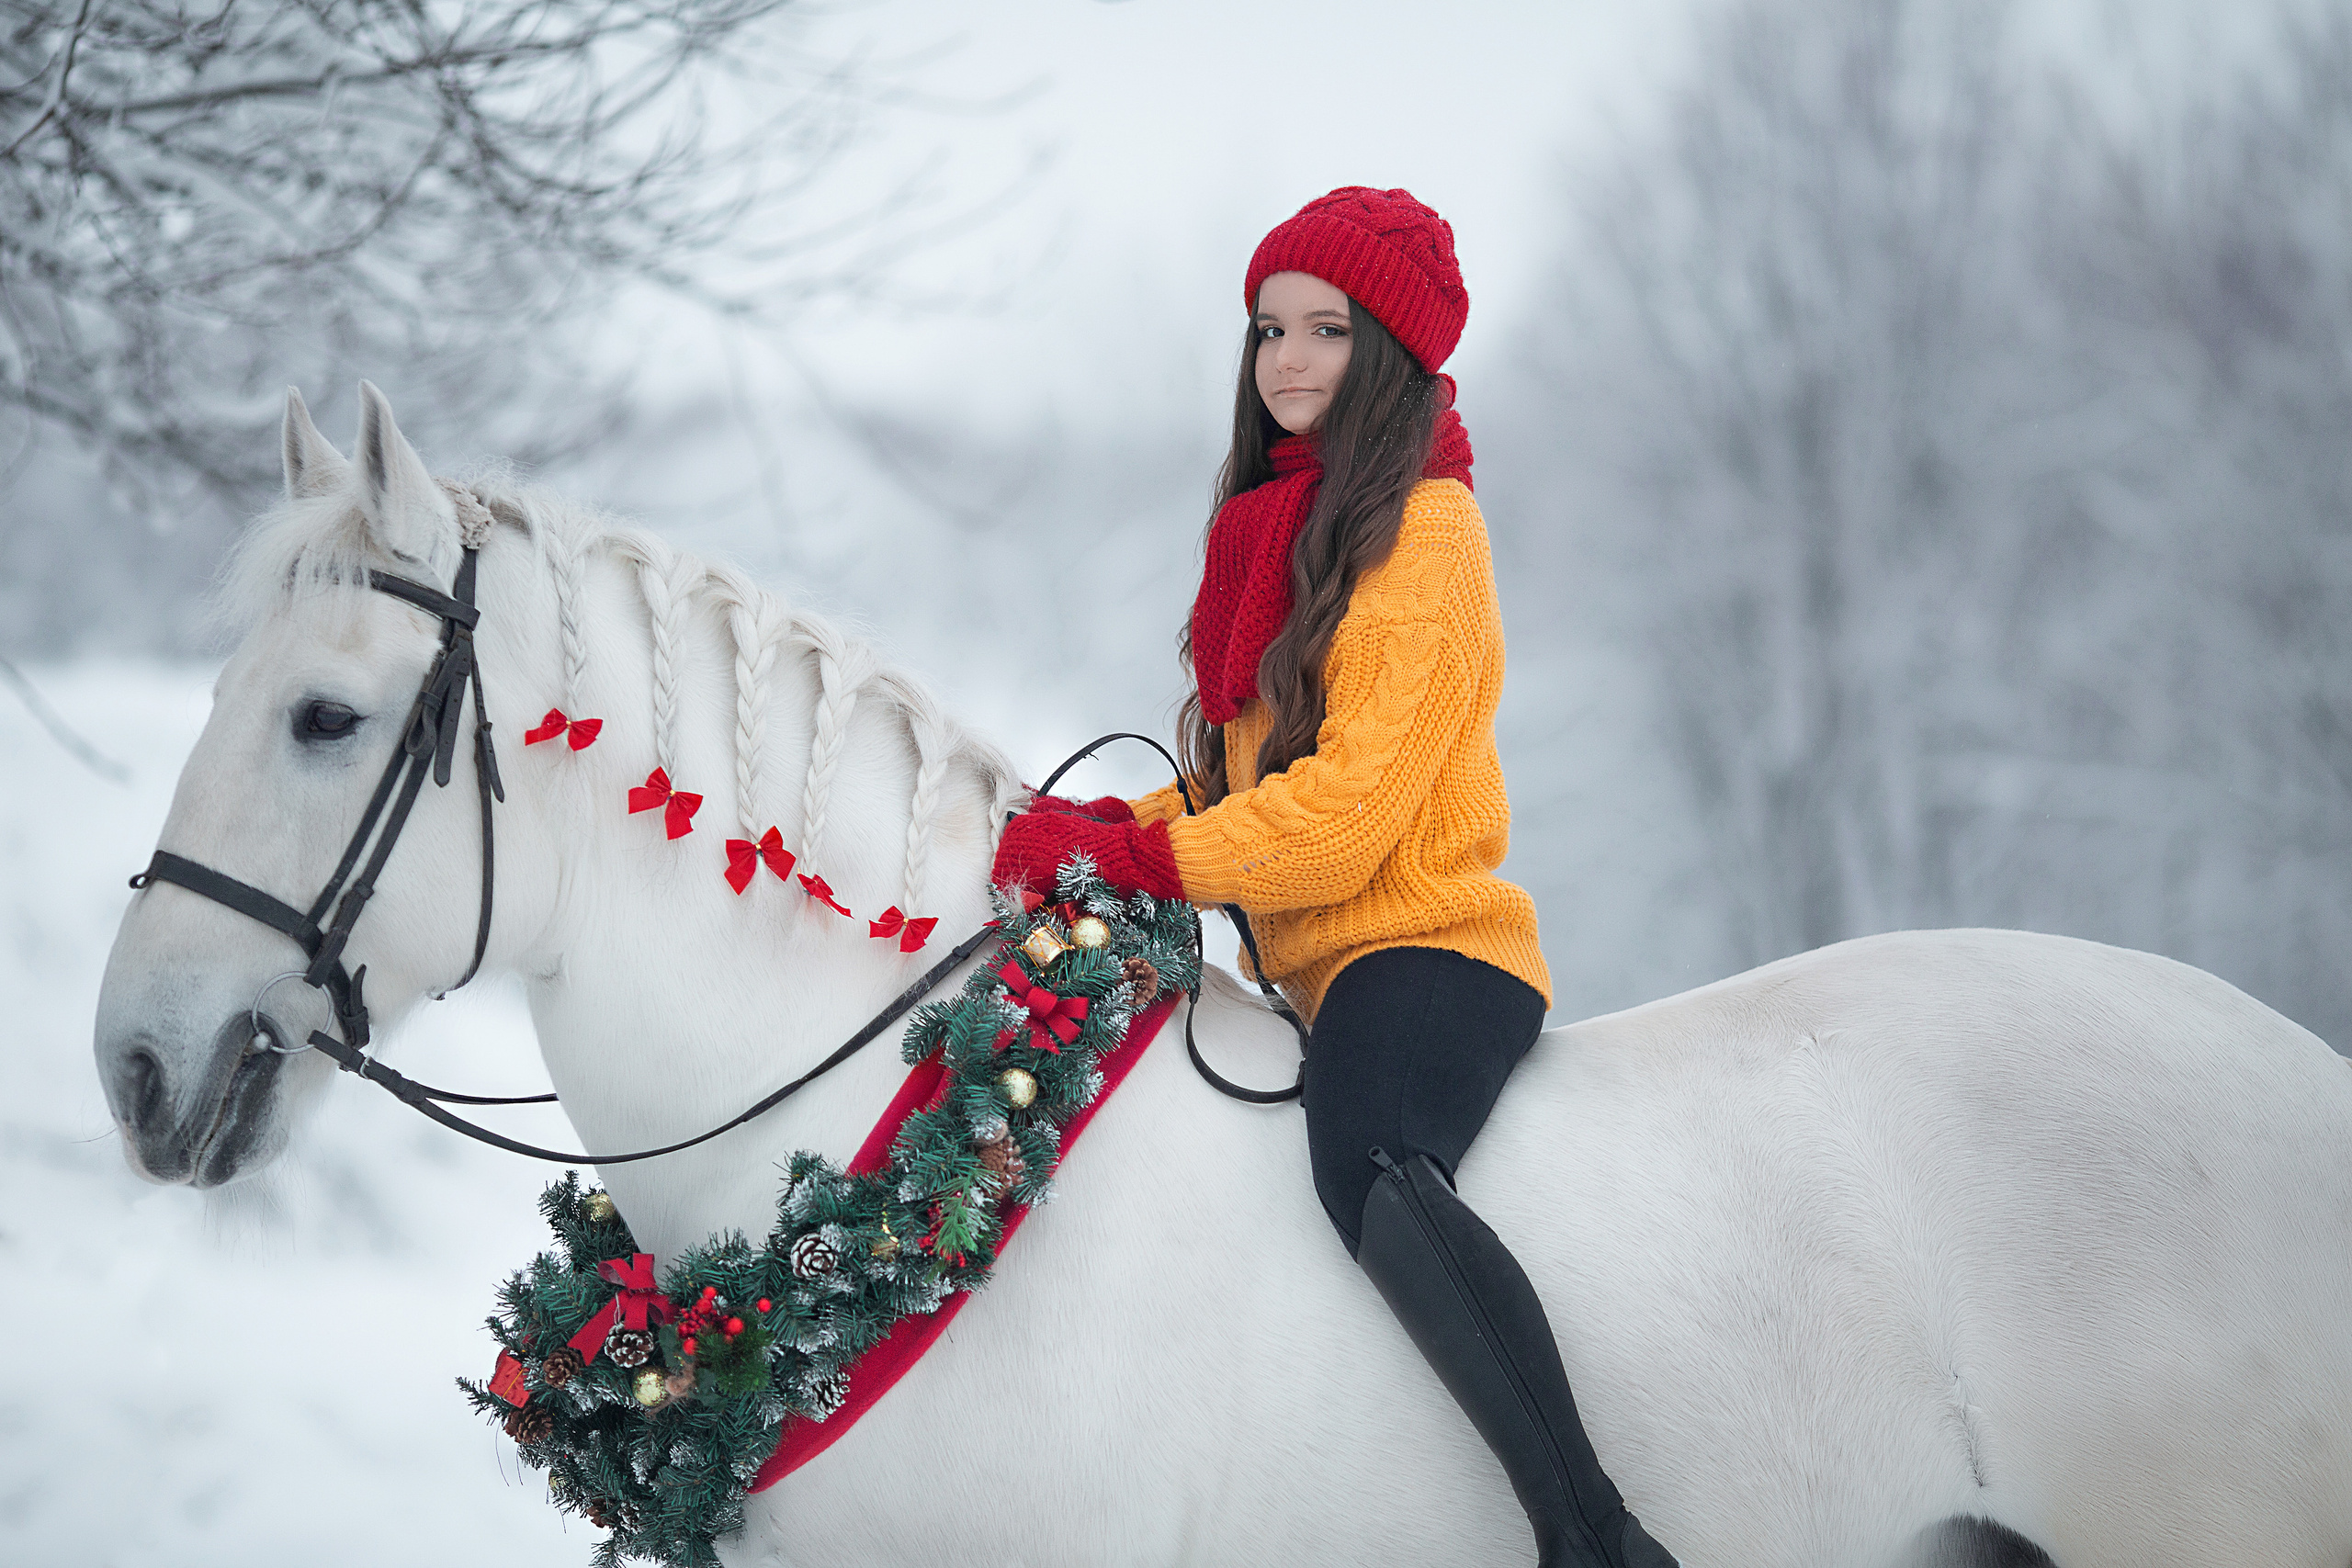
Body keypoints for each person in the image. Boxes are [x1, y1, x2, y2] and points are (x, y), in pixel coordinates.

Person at [991, 186, 1676, 1568]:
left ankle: (1594, 1535)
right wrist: (1059, 833)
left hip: (1432, 949)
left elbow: (1339, 823)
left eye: (1327, 329)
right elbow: (1244, 795)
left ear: (1394, 352)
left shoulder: (1427, 535)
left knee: (1364, 1142)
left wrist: (1140, 855)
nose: (1287, 359)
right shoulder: (1283, 533)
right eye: (1267, 330)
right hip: (1320, 964)